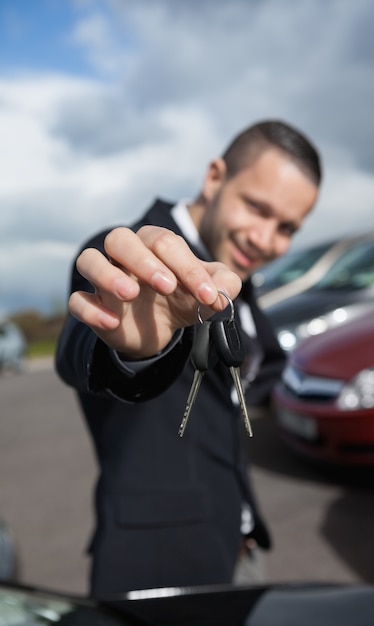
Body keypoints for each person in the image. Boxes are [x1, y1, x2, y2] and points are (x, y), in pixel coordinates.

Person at [55, 119, 321, 596]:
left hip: (240, 545)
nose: (266, 239)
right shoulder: (128, 253)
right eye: (257, 208)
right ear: (215, 177)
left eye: (287, 228)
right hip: (159, 565)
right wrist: (135, 349)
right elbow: (79, 350)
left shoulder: (241, 278)